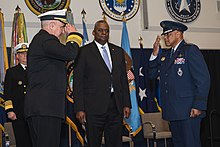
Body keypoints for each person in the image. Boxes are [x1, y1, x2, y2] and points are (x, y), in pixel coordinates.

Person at [24, 9, 83, 147]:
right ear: (51, 25)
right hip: (45, 108)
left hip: (42, 108)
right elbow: (70, 53)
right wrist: (74, 35)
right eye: (62, 27)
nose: (63, 31)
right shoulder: (46, 39)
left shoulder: (41, 40)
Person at [148, 20, 210, 147]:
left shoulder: (190, 50)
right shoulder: (166, 55)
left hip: (188, 111)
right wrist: (155, 54)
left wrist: (198, 105)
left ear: (178, 33)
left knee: (190, 144)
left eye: (168, 34)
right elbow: (152, 75)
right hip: (173, 110)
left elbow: (203, 79)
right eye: (164, 35)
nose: (165, 38)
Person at [74, 20, 131, 147]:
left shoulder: (118, 52)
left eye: (106, 31)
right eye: (100, 30)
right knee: (94, 142)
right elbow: (78, 82)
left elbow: (123, 80)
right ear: (94, 32)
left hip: (115, 106)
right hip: (93, 107)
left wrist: (127, 104)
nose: (103, 33)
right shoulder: (83, 52)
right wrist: (79, 108)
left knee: (115, 142)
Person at [4, 43, 32, 147]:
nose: (25, 55)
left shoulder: (35, 71)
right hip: (18, 113)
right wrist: (10, 110)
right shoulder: (12, 72)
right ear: (17, 56)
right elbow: (7, 94)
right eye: (22, 54)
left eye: (27, 53)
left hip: (33, 112)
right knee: (21, 140)